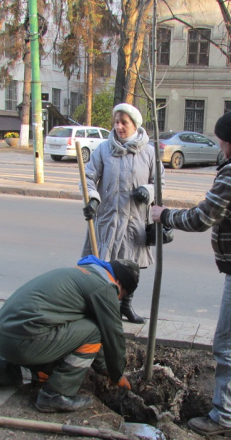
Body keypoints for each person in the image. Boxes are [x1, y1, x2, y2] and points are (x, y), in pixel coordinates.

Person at [151, 110, 231, 437]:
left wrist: (164, 214)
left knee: (226, 343)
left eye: (220, 139)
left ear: (227, 140)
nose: (219, 144)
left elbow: (201, 218)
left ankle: (224, 415)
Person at [0, 255, 138, 413]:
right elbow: (112, 335)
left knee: (54, 367)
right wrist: (117, 374)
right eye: (122, 295)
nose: (118, 299)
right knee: (96, 329)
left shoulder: (83, 272)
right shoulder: (105, 287)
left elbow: (86, 338)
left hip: (1, 335)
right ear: (120, 283)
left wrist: (103, 369)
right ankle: (56, 394)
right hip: (24, 341)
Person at [81, 103, 164, 324]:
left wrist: (148, 191)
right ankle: (105, 309)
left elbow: (160, 183)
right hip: (108, 218)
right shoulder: (103, 150)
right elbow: (89, 177)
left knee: (130, 268)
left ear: (135, 125)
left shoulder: (149, 152)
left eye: (123, 122)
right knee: (102, 266)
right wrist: (93, 198)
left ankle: (126, 306)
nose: (118, 126)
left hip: (134, 221)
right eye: (116, 122)